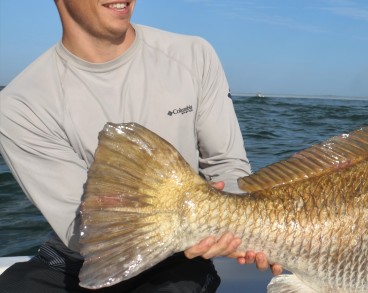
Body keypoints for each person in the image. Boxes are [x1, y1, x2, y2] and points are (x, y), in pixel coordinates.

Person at [0, 0, 278, 291]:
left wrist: (239, 233)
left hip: (180, 256)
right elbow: (79, 229)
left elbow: (227, 167)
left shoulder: (194, 55)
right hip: (78, 256)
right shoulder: (20, 104)